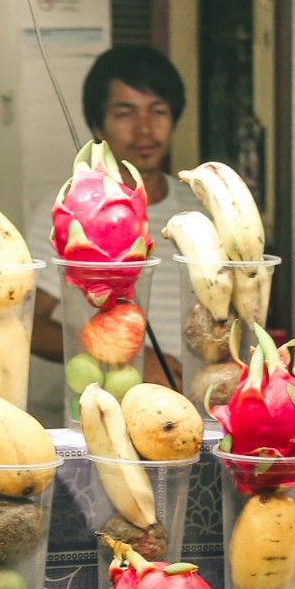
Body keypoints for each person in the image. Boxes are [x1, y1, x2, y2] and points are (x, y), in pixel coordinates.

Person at [29, 46, 190, 388]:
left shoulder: (199, 212)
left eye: (158, 111)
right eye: (125, 113)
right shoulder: (66, 213)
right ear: (97, 126)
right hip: (104, 398)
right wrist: (133, 357)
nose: (145, 128)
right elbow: (29, 324)